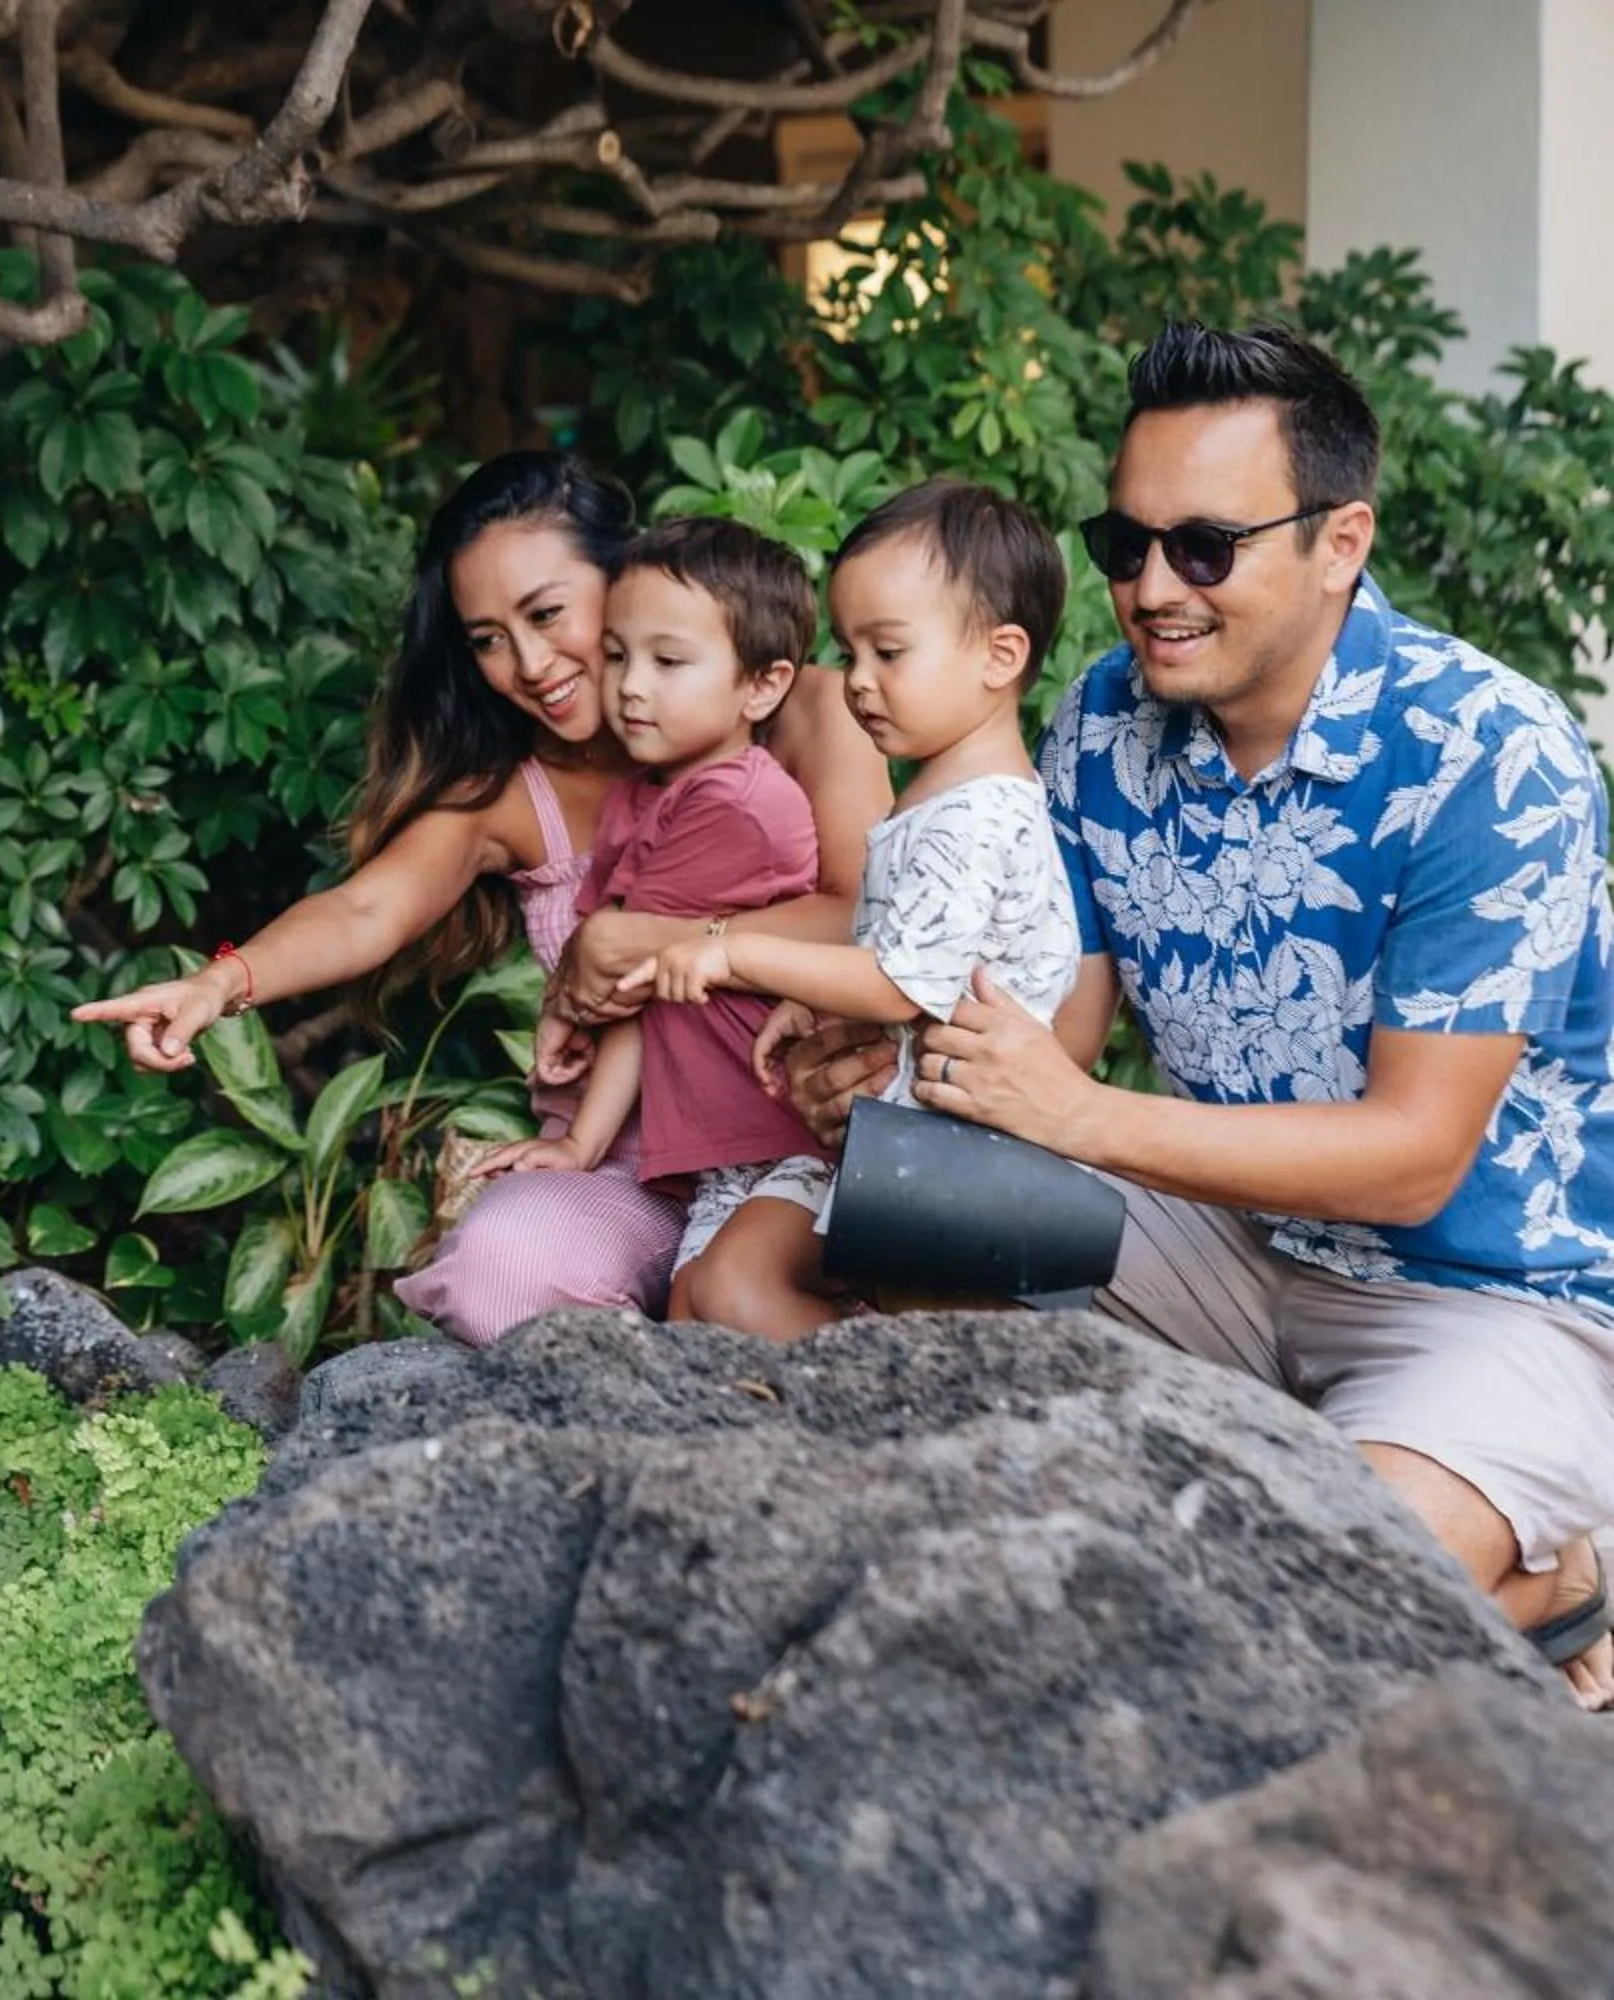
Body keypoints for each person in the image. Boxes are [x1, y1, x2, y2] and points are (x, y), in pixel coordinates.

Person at [782, 322, 1614, 1705]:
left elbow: (1415, 1159)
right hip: (1224, 1236)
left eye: (1205, 549)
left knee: (1319, 1580)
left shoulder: (1489, 752)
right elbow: (1053, 1038)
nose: (1151, 590)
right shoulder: (1107, 720)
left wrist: (1078, 1114)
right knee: (895, 1230)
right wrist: (898, 1063)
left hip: (1486, 1297)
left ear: (1341, 542)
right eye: (1127, 545)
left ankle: (1561, 1577)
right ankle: (1319, 1483)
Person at [73, 451, 890, 1343]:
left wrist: (631, 942)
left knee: (766, 1282)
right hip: (629, 1172)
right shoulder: (513, 795)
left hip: (794, 1147)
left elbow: (868, 913)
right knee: (500, 1267)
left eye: (547, 614)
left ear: (624, 579)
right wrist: (218, 985)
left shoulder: (800, 711)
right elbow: (363, 911)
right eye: (488, 640)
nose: (530, 664)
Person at [627, 481, 1085, 1338]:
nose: (857, 682)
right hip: (891, 1143)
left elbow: (895, 985)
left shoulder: (979, 816)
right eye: (850, 651)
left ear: (1000, 655)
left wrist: (733, 952)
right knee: (707, 1294)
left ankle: (905, 1406)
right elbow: (907, 959)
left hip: (958, 1163)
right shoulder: (937, 802)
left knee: (733, 1293)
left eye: (889, 652)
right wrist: (812, 1001)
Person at [480, 518, 836, 1341]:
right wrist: (583, 1147)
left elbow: (610, 979)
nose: (631, 686)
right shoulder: (641, 801)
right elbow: (644, 1007)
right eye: (617, 656)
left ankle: (929, 1391)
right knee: (692, 1330)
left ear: (763, 686)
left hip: (792, 1138)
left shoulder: (738, 805)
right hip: (722, 1162)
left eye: (668, 662)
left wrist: (571, 1003)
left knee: (742, 1313)